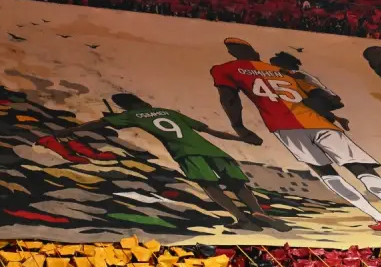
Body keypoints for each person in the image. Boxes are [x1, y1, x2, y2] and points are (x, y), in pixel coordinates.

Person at [211, 38, 381, 240]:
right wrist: (333, 116)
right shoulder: (284, 71)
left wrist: (239, 127)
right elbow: (321, 99)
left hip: (285, 127)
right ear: (254, 51)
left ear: (232, 52)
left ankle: (380, 218)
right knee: (360, 168)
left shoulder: (225, 69)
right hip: (318, 123)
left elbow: (229, 99)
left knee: (326, 173)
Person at [46, 92, 290, 232]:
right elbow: (209, 131)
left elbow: (99, 124)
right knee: (237, 183)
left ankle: (242, 219)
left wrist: (68, 131)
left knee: (210, 185)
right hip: (211, 149)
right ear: (143, 101)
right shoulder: (169, 112)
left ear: (125, 107)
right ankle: (258, 212)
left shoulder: (131, 115)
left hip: (185, 153)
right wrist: (241, 139)